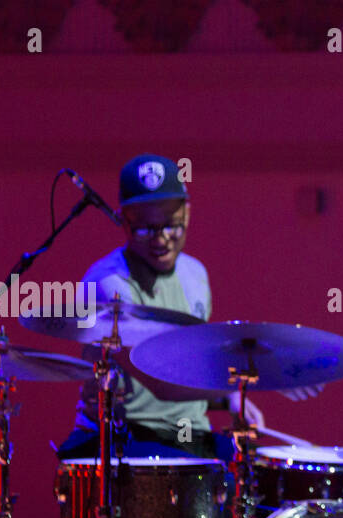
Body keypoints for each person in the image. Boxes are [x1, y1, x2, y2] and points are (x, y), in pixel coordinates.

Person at [56, 153, 278, 462]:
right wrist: (240, 385)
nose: (161, 239)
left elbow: (193, 366)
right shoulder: (109, 284)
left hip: (187, 435)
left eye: (172, 225)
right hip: (125, 438)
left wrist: (228, 399)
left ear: (187, 214)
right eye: (146, 228)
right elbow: (162, 382)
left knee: (263, 472)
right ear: (123, 220)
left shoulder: (195, 274)